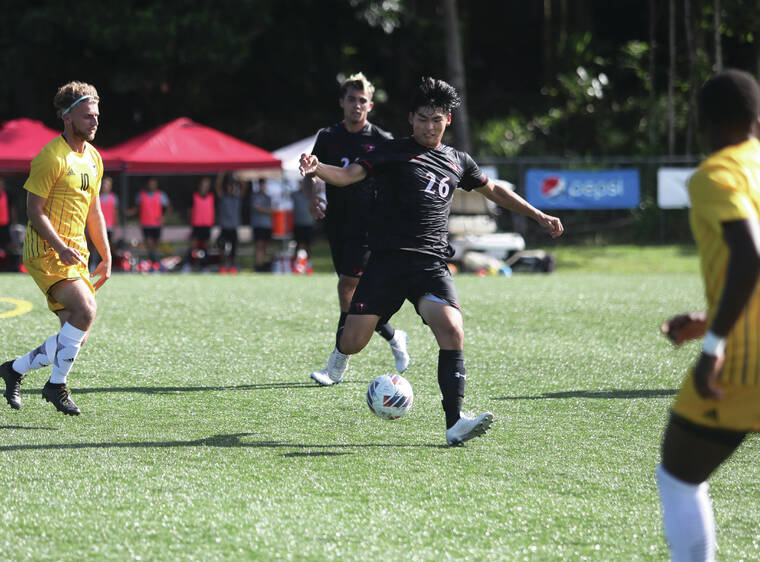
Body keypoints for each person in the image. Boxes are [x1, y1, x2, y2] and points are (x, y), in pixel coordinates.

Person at [299, 77, 563, 445]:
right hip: (387, 263)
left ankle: (455, 422)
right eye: (422, 119)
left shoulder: (458, 161)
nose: (428, 127)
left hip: (430, 266)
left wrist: (538, 214)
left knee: (452, 331)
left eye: (436, 120)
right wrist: (317, 168)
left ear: (448, 120)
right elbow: (346, 175)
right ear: (411, 118)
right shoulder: (391, 151)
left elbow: (494, 190)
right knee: (354, 341)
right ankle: (339, 357)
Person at [656, 69, 760, 561]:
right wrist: (709, 315)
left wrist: (713, 344)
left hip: (745, 362)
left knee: (678, 474)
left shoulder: (715, 174)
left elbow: (750, 256)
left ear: (703, 123)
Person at [0, 81, 110, 415]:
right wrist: (61, 247)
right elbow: (34, 210)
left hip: (74, 254)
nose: (94, 121)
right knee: (85, 310)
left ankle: (14, 369)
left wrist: (106, 255)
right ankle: (56, 386)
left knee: (76, 334)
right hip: (46, 251)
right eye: (87, 116)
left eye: (97, 115)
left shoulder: (94, 157)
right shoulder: (51, 157)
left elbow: (94, 211)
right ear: (67, 117)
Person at [304, 72, 410, 385]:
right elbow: (311, 171)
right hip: (338, 222)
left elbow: (398, 177)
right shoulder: (328, 137)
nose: (357, 105)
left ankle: (336, 366)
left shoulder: (382, 139)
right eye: (352, 99)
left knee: (348, 287)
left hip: (371, 224)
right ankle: (392, 335)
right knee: (351, 293)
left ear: (370, 105)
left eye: (363, 100)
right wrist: (313, 197)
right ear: (342, 102)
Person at [130, 177, 170, 266]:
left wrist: (163, 217)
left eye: (153, 184)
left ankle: (153, 263)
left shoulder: (161, 195)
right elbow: (137, 208)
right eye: (150, 184)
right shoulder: (141, 195)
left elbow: (168, 207)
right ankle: (156, 263)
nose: (152, 186)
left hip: (157, 225)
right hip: (146, 224)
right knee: (149, 244)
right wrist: (129, 213)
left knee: (154, 246)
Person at [187, 176, 215, 271]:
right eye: (203, 184)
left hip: (207, 225)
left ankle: (205, 267)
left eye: (207, 185)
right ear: (200, 185)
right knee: (193, 248)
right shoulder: (194, 196)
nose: (205, 187)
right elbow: (190, 211)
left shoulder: (211, 197)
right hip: (196, 225)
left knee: (205, 248)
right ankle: (189, 265)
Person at [216, 174, 242, 274]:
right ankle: (223, 266)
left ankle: (232, 268)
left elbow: (244, 187)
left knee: (233, 250)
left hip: (233, 228)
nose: (230, 189)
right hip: (224, 228)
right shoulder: (223, 198)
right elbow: (218, 186)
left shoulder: (237, 199)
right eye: (229, 187)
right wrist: (221, 174)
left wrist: (239, 176)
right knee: (221, 247)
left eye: (232, 187)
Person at [250, 178, 273, 272]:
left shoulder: (268, 197)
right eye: (261, 184)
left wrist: (264, 209)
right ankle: (258, 265)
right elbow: (257, 208)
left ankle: (263, 264)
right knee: (259, 246)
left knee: (265, 246)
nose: (263, 186)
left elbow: (270, 210)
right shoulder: (255, 196)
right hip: (258, 225)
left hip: (267, 225)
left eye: (264, 184)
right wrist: (267, 210)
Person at [0, 176, 21, 271]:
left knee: (11, 246)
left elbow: (13, 209)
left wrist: (14, 222)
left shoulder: (8, 195)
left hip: (6, 226)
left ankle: (15, 267)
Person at [291, 180, 315, 262]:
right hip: (298, 223)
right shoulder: (295, 195)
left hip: (308, 223)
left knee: (308, 244)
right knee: (297, 243)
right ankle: (295, 262)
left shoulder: (311, 194)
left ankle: (308, 262)